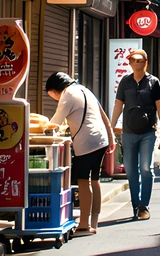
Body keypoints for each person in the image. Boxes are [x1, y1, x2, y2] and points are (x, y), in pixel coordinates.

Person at [44, 72, 113, 235]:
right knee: (94, 180)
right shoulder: (84, 90)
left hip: (86, 141)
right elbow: (103, 116)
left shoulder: (67, 95)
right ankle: (94, 222)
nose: (53, 99)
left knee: (83, 180)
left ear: (55, 89)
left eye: (51, 95)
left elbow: (54, 122)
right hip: (101, 139)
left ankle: (84, 224)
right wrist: (111, 139)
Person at [109, 49, 160, 222]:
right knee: (130, 170)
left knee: (146, 168)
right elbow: (118, 105)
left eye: (141, 60)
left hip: (148, 132)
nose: (137, 63)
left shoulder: (153, 82)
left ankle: (144, 205)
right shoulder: (125, 82)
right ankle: (136, 205)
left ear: (146, 62)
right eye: (134, 60)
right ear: (129, 62)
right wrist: (110, 127)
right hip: (128, 132)